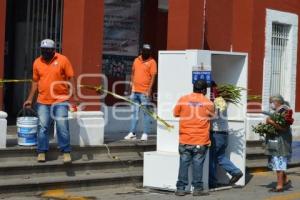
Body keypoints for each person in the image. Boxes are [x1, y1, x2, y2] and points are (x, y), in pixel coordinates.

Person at [24, 39, 76, 163]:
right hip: (43, 101)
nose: (45, 53)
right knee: (43, 127)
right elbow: (35, 82)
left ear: (53, 50)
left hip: (61, 100)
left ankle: (66, 152)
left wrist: (74, 96)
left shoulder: (63, 60)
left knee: (62, 126)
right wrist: (30, 99)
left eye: (48, 50)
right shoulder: (37, 62)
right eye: (43, 50)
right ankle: (41, 151)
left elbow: (70, 77)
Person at [173, 80, 214, 196]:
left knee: (184, 163)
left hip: (185, 139)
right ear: (204, 90)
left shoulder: (183, 99)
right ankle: (197, 189)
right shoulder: (208, 102)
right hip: (201, 140)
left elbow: (175, 114)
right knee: (198, 164)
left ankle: (180, 189)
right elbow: (213, 115)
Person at [209, 81, 243, 188]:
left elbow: (215, 116)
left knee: (212, 158)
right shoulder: (222, 100)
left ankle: (212, 182)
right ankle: (235, 171)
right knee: (220, 157)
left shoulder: (217, 101)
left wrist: (202, 116)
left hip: (216, 134)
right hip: (223, 133)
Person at [124, 44, 157, 141]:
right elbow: (133, 73)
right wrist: (131, 84)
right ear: (141, 51)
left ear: (149, 52)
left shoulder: (152, 62)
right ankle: (132, 133)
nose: (146, 52)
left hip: (144, 93)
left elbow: (153, 77)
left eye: (148, 51)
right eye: (144, 50)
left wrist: (149, 90)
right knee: (134, 113)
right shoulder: (136, 60)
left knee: (145, 113)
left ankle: (145, 133)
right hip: (135, 91)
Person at [265, 94, 293, 192]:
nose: (271, 105)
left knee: (279, 161)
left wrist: (271, 123)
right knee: (276, 162)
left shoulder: (284, 111)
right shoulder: (277, 111)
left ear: (277, 102)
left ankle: (279, 186)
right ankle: (284, 180)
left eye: (271, 102)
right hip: (276, 140)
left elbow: (283, 128)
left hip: (281, 141)